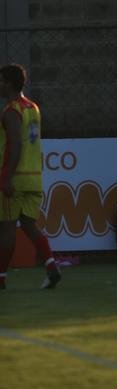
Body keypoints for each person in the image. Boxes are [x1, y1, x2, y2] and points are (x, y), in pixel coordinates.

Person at [0, 63, 61, 289]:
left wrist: (5, 177)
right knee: (28, 225)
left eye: (0, 81)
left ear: (8, 83)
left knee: (6, 228)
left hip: (15, 177)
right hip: (34, 176)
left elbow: (14, 145)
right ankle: (51, 265)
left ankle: (1, 279)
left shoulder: (11, 111)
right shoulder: (33, 107)